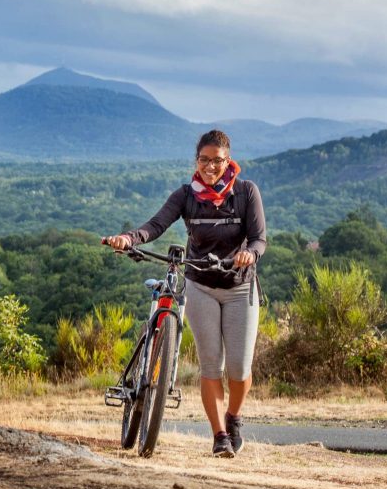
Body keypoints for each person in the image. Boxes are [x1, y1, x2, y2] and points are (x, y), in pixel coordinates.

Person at [103, 129, 266, 457]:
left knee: (239, 368)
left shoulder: (246, 192)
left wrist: (250, 253)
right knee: (211, 365)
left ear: (228, 161)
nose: (210, 167)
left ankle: (233, 417)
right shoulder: (186, 195)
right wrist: (128, 238)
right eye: (204, 160)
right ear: (196, 160)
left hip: (240, 287)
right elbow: (155, 225)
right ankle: (219, 435)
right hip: (201, 285)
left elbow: (259, 238)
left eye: (217, 161)